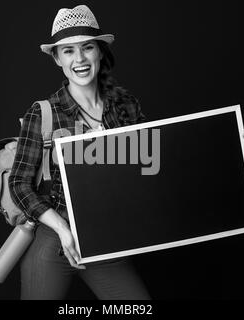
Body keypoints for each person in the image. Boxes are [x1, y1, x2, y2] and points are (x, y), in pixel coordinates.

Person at [8, 5, 151, 300]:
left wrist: (230, 143)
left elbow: (155, 161)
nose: (80, 59)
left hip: (106, 242)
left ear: (99, 52)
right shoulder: (43, 113)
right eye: (69, 51)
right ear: (57, 58)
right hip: (54, 242)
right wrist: (62, 229)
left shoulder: (126, 107)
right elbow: (19, 183)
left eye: (87, 48)